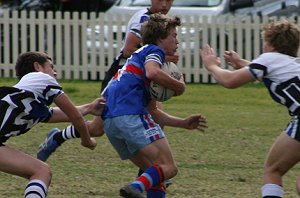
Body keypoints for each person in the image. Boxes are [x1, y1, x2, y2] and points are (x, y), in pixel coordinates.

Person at [102, 13, 207, 198]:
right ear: (160, 38)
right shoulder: (153, 51)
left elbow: (153, 111)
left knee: (156, 172)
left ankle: (140, 186)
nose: (177, 42)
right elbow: (153, 72)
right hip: (131, 116)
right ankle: (136, 187)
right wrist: (179, 86)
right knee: (169, 167)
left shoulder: (136, 59)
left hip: (111, 122)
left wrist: (183, 123)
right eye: (174, 36)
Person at [200, 19, 300, 198]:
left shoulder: (269, 59)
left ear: (271, 43)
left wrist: (211, 65)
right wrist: (242, 64)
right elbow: (275, 74)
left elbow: (230, 81)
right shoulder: (293, 63)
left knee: (273, 170)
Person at [0, 51, 102, 198]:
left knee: (41, 171)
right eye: (51, 66)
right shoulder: (42, 78)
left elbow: (54, 114)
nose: (55, 73)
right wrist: (86, 140)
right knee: (41, 171)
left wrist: (89, 108)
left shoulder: (30, 99)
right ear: (38, 67)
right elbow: (75, 117)